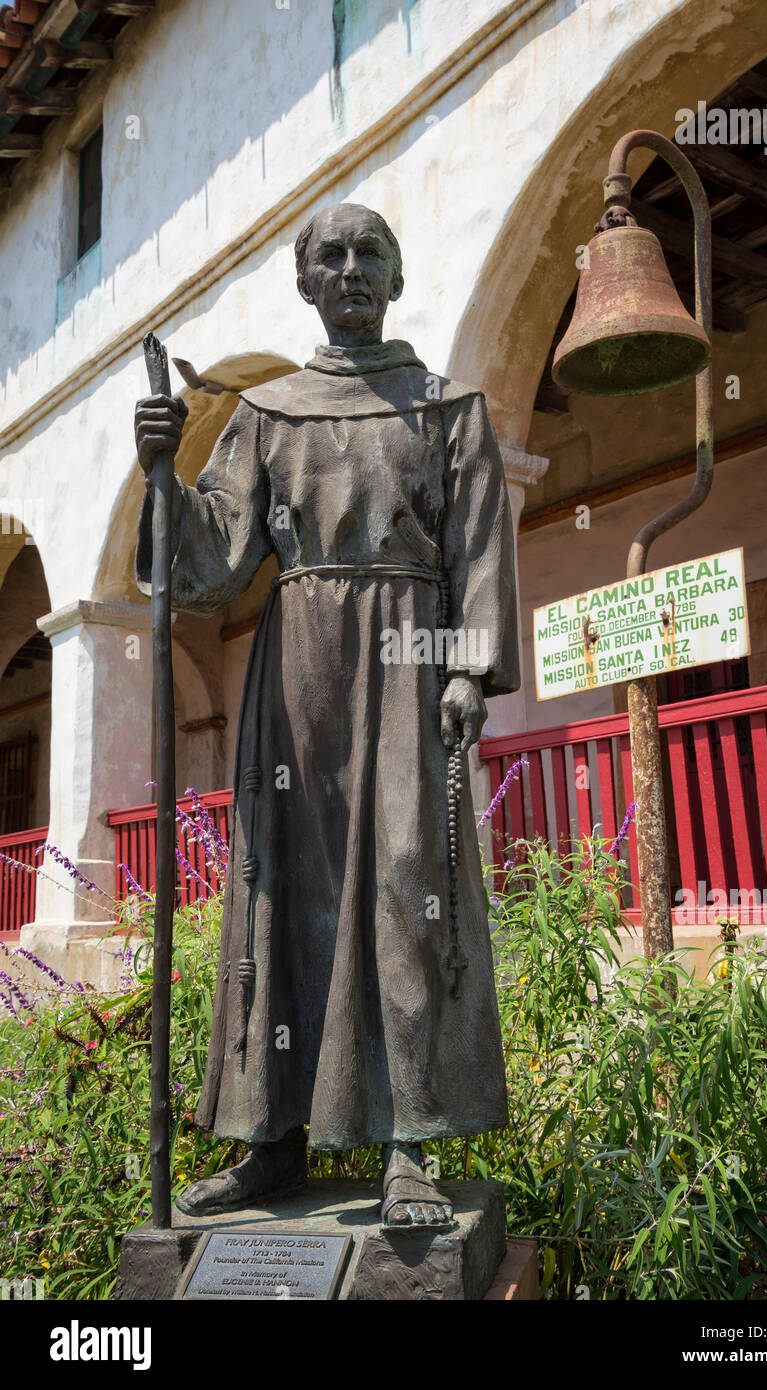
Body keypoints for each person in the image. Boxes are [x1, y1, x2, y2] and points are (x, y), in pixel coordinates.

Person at [134, 202, 519, 1228]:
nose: (351, 270)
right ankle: (270, 1138)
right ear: (306, 282)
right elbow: (211, 568)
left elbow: (478, 549)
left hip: (408, 663)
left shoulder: (449, 409)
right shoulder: (268, 415)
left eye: (371, 254)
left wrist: (468, 671)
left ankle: (412, 1139)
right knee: (278, 887)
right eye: (331, 256)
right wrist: (161, 473)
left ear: (396, 276)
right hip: (293, 672)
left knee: (408, 877)